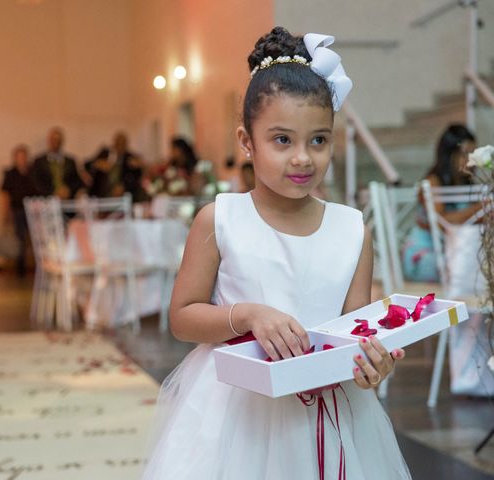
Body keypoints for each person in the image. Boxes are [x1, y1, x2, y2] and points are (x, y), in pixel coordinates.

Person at [143, 27, 410, 479]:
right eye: (282, 140)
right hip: (236, 414)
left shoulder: (351, 229)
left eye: (318, 140)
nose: (303, 158)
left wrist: (371, 364)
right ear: (247, 142)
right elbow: (183, 317)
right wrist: (247, 316)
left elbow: (356, 329)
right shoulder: (219, 218)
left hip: (331, 410)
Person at [402, 124, 480, 282]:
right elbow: (443, 222)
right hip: (425, 253)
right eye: (465, 154)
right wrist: (480, 209)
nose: (471, 161)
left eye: (474, 155)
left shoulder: (468, 185)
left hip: (456, 252)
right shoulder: (432, 182)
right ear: (449, 154)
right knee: (469, 268)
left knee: (477, 263)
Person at [0, 144, 36, 276]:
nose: (22, 159)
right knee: (19, 238)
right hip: (17, 209)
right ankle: (20, 268)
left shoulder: (32, 172)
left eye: (24, 156)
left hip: (31, 210)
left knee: (33, 238)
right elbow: (6, 194)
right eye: (19, 157)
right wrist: (6, 212)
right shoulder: (10, 173)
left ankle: (36, 264)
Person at [30, 127, 85, 199]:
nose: (56, 143)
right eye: (53, 140)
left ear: (62, 141)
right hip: (46, 201)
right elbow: (36, 183)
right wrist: (53, 192)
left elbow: (76, 181)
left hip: (67, 200)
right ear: (49, 141)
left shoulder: (71, 161)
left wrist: (68, 190)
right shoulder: (38, 161)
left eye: (58, 140)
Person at [107, 132, 147, 201]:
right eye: (118, 143)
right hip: (107, 190)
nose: (120, 146)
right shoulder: (107, 155)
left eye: (122, 143)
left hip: (126, 191)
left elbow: (137, 177)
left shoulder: (131, 158)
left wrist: (123, 187)